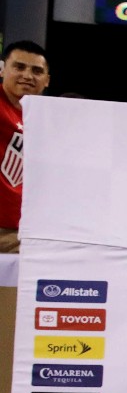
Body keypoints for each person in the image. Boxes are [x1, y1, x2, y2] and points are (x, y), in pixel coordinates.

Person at [0, 39, 50, 251]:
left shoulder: (47, 120)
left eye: (36, 71)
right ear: (2, 70)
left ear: (47, 80)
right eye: (19, 67)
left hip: (25, 229)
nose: (28, 76)